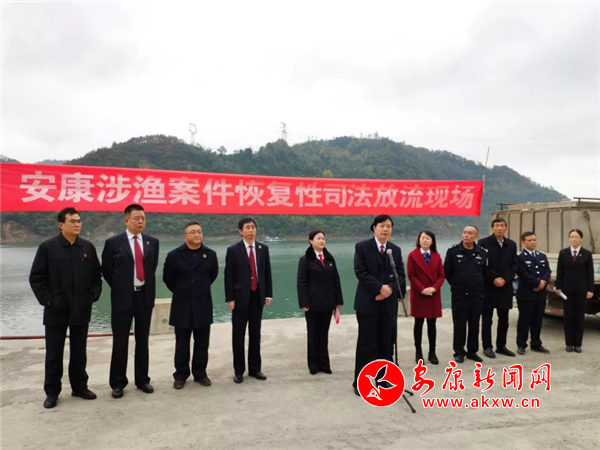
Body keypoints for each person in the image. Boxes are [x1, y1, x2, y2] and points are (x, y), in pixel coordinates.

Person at [29, 207, 102, 409]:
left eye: (79, 221)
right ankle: (52, 392)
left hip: (81, 308)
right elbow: (36, 278)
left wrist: (92, 296)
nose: (77, 224)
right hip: (56, 310)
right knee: (54, 354)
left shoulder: (87, 247)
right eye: (72, 221)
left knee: (79, 352)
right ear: (61, 225)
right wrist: (49, 300)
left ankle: (79, 387)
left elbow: (97, 276)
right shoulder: (48, 247)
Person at [102, 204, 160, 398]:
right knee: (120, 341)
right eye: (136, 218)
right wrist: (121, 287)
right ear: (126, 220)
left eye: (143, 218)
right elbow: (107, 271)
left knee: (143, 340)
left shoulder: (152, 242)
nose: (141, 221)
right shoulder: (113, 243)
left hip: (144, 297)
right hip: (122, 298)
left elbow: (151, 269)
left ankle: (143, 380)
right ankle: (117, 383)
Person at [352, 214, 406, 396]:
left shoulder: (395, 250)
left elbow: (400, 275)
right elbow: (360, 272)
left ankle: (383, 379)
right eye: (382, 226)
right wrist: (379, 288)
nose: (385, 229)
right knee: (366, 344)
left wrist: (389, 290)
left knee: (386, 343)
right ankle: (361, 381)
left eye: (389, 226)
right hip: (368, 303)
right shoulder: (362, 247)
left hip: (388, 305)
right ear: (374, 228)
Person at [163, 222, 218, 389]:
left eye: (199, 232)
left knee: (202, 342)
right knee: (182, 343)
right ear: (185, 236)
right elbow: (168, 279)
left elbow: (212, 275)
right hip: (182, 304)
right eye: (192, 232)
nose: (197, 235)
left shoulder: (210, 254)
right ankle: (181, 375)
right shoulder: (174, 255)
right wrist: (182, 290)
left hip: (203, 304)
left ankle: (200, 373)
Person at [224, 218, 273, 383]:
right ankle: (239, 371)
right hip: (239, 298)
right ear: (241, 231)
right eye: (247, 227)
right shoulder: (233, 250)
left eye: (253, 227)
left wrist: (268, 294)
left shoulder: (263, 249)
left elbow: (267, 273)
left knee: (255, 334)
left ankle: (255, 369)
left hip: (257, 296)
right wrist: (230, 298)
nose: (251, 230)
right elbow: (228, 276)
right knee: (238, 335)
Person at [297, 230, 344, 375]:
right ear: (311, 241)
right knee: (313, 334)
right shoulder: (305, 260)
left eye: (323, 238)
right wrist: (304, 302)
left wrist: (338, 300)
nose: (322, 241)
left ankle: (324, 364)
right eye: (318, 238)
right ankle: (313, 365)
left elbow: (336, 280)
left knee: (324, 334)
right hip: (312, 304)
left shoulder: (329, 259)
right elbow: (302, 282)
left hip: (328, 302)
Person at [444, 225, 487, 363]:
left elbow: (484, 273)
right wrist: (458, 284)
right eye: (464, 232)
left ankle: (472, 352)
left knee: (474, 324)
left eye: (470, 233)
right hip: (460, 294)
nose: (466, 235)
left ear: (476, 236)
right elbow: (447, 272)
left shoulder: (482, 252)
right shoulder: (453, 251)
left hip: (476, 295)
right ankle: (459, 352)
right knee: (459, 324)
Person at [478, 218, 519, 359]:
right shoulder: (483, 243)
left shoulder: (511, 244)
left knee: (504, 319)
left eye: (502, 226)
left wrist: (505, 278)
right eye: (497, 226)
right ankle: (487, 346)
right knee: (487, 319)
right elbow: (482, 264)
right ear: (492, 228)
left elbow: (514, 264)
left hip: (505, 287)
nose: (499, 228)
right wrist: (494, 278)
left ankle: (501, 346)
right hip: (489, 286)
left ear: (506, 228)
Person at [406, 230, 445, 365]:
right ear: (419, 240)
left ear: (432, 241)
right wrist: (422, 289)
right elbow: (411, 275)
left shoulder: (437, 256)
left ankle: (432, 353)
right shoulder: (413, 255)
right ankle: (418, 353)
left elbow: (441, 275)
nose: (424, 240)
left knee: (432, 325)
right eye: (422, 238)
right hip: (419, 294)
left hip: (433, 294)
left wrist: (434, 288)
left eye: (428, 238)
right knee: (418, 324)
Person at [555, 229, 595, 353]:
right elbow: (560, 271)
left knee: (579, 317)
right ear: (569, 239)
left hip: (581, 290)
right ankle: (569, 343)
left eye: (576, 237)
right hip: (567, 290)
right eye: (571, 237)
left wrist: (590, 289)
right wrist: (558, 287)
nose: (574, 239)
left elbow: (590, 273)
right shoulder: (563, 253)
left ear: (581, 239)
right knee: (568, 317)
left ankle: (578, 344)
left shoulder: (587, 254)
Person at [515, 231, 551, 355]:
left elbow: (547, 271)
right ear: (523, 242)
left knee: (537, 320)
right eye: (529, 240)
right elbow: (522, 273)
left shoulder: (542, 256)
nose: (532, 242)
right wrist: (536, 283)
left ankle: (536, 343)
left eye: (534, 240)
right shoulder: (520, 257)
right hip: (526, 294)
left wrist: (543, 282)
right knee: (525, 320)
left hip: (540, 294)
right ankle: (521, 345)